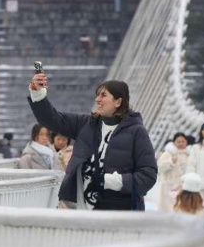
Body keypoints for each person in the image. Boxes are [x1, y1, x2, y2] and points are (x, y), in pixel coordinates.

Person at [28, 73, 157, 211]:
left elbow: (148, 175)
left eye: (103, 95)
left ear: (118, 102)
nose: (97, 100)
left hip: (122, 214)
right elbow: (52, 119)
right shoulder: (86, 124)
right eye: (97, 95)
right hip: (84, 210)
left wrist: (108, 181)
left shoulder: (137, 132)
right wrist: (38, 94)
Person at [158, 132, 191, 212]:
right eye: (178, 142)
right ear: (174, 142)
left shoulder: (189, 155)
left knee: (181, 211)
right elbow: (160, 168)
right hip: (169, 187)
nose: (181, 144)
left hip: (183, 187)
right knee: (168, 211)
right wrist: (171, 161)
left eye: (183, 141)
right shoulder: (168, 153)